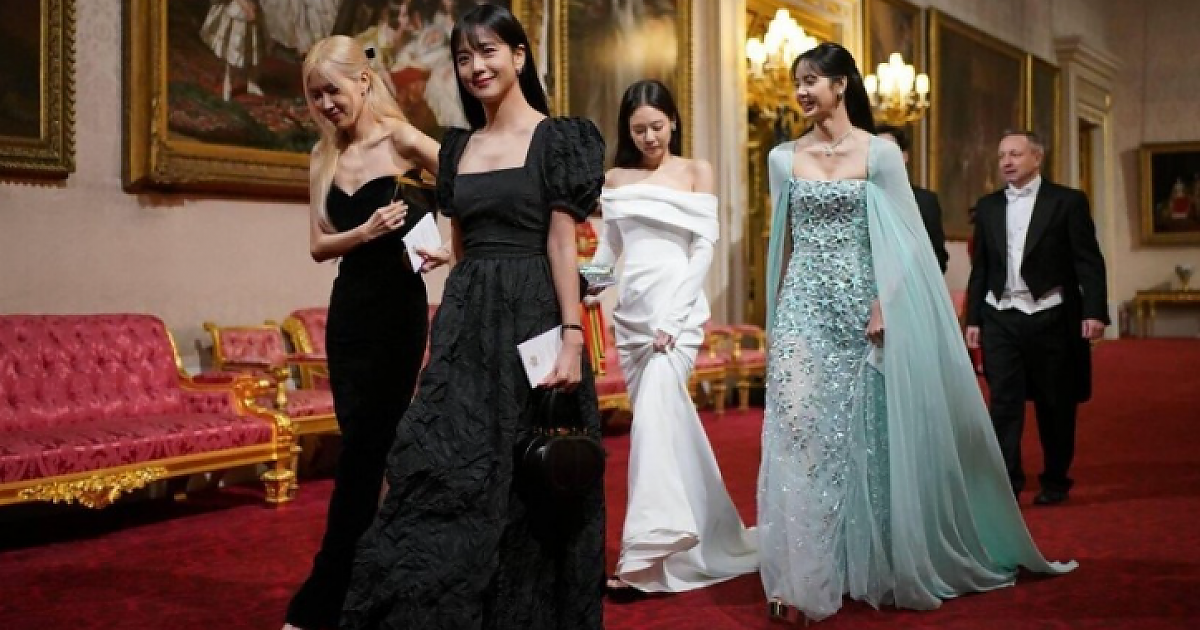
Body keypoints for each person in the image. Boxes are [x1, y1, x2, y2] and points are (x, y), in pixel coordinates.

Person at [759, 42, 1075, 623]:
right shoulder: (783, 159)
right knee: (800, 434)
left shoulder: (879, 154)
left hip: (862, 312)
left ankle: (866, 562)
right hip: (803, 309)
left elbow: (909, 240)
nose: (801, 91)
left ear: (840, 84)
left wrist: (886, 303)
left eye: (811, 80)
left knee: (862, 437)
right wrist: (776, 321)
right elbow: (784, 243)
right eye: (796, 81)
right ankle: (801, 580)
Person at [340, 5, 606, 629]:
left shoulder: (559, 139)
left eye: (488, 51)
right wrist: (438, 254)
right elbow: (462, 244)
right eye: (464, 57)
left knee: (529, 476)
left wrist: (572, 338)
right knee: (439, 459)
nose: (476, 66)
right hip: (467, 323)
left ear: (518, 55)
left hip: (535, 317)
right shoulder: (458, 148)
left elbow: (560, 244)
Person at [282, 35, 441, 630]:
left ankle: (325, 597)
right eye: (315, 95)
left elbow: (466, 184)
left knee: (364, 455)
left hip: (399, 314)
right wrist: (366, 232)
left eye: (333, 90)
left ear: (364, 81)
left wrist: (447, 245)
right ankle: (380, 583)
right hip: (348, 317)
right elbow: (319, 245)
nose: (325, 104)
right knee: (364, 451)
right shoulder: (322, 158)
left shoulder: (402, 141)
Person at [589, 79, 757, 599]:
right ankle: (707, 535)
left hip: (676, 318)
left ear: (673, 122)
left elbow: (703, 250)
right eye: (638, 129)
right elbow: (608, 252)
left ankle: (642, 559)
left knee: (651, 428)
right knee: (666, 428)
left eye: (657, 127)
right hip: (632, 321)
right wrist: (582, 284)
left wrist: (674, 317)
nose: (649, 137)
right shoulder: (615, 179)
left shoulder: (696, 171)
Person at [964, 130, 1109, 506]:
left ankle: (1056, 481)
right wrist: (973, 320)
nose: (1007, 162)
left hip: (1051, 316)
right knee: (1003, 402)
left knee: (1055, 403)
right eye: (1002, 156)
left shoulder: (1067, 202)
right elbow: (981, 269)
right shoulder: (989, 206)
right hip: (1000, 316)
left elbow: (1088, 261)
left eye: (1015, 154)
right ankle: (1007, 483)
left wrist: (1094, 311)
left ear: (1037, 157)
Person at [874, 124, 949, 272]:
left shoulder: (926, 202)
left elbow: (938, 257)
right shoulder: (862, 198)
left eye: (888, 151)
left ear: (904, 156)